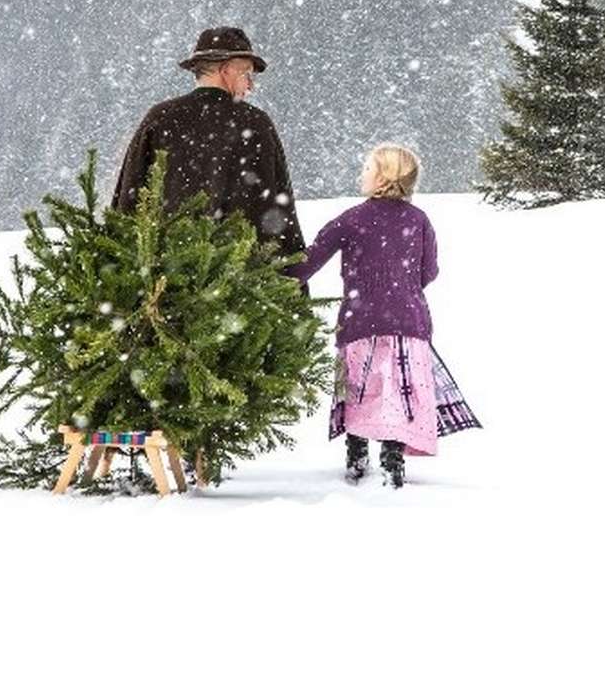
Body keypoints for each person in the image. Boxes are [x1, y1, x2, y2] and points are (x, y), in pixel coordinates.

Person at [291, 143, 480, 488]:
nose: (362, 174)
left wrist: (275, 276)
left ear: (383, 177)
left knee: (361, 387)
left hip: (360, 321)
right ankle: (393, 453)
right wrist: (401, 287)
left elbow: (308, 263)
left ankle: (356, 450)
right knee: (399, 390)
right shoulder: (419, 220)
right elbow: (430, 271)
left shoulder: (351, 219)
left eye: (367, 168)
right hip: (409, 322)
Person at [111, 27, 304, 262]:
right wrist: (291, 278)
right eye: (247, 75)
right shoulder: (255, 123)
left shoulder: (160, 118)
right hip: (243, 279)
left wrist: (118, 265)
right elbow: (277, 209)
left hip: (167, 276)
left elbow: (129, 196)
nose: (250, 86)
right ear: (226, 71)